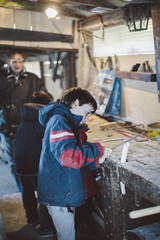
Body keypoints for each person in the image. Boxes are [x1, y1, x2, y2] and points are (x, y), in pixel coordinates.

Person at [37, 87, 112, 240]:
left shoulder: (66, 122)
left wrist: (96, 161)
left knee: (67, 234)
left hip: (62, 190)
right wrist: (97, 149)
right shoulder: (59, 121)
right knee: (67, 236)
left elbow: (71, 165)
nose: (88, 118)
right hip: (59, 194)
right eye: (88, 112)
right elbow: (69, 157)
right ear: (75, 103)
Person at [0, 48, 49, 191]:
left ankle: (37, 189)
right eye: (14, 61)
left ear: (24, 62)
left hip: (29, 128)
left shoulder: (33, 79)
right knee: (13, 162)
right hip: (6, 126)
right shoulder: (2, 80)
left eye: (20, 61)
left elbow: (44, 99)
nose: (17, 64)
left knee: (34, 159)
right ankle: (22, 190)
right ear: (9, 62)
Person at [13, 90, 56, 237]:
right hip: (34, 164)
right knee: (45, 195)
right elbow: (51, 138)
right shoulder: (40, 120)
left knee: (27, 192)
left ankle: (32, 219)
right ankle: (46, 228)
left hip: (20, 163)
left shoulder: (25, 117)